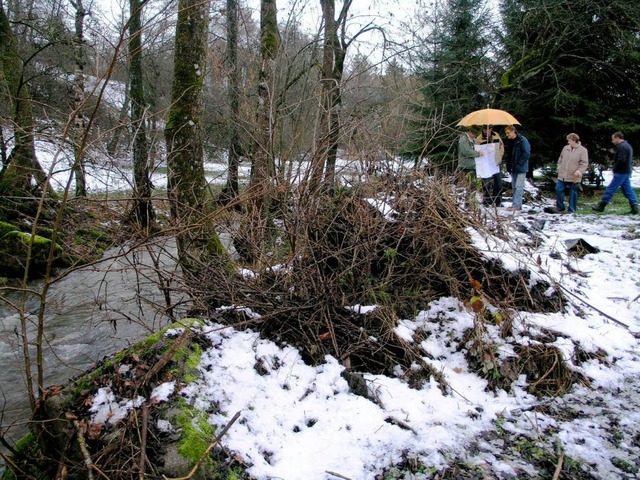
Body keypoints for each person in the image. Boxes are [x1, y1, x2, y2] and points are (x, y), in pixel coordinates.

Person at [592, 132, 639, 214]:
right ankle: (634, 206)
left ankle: (602, 205)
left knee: (611, 188)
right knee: (627, 189)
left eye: (613, 139)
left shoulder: (622, 147)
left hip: (621, 171)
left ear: (617, 138)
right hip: (626, 171)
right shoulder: (627, 146)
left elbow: (621, 159)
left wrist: (615, 169)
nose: (612, 141)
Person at [553, 133, 589, 213]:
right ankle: (560, 207)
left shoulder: (583, 150)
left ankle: (571, 210)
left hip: (575, 176)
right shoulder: (565, 148)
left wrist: (579, 171)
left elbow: (584, 163)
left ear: (574, 140)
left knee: (573, 192)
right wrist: (559, 167)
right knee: (558, 189)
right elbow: (560, 159)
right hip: (562, 174)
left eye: (569, 140)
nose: (568, 142)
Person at [475, 125, 504, 206]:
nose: (486, 131)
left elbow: (501, 146)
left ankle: (498, 201)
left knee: (498, 183)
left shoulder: (496, 135)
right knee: (486, 183)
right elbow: (476, 151)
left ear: (491, 129)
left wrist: (500, 156)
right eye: (484, 129)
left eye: (488, 129)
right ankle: (487, 201)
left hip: (496, 162)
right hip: (485, 164)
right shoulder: (478, 139)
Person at [504, 125, 530, 211]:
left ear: (513, 131)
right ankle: (516, 204)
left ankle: (516, 205)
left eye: (508, 133)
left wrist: (519, 164)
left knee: (519, 186)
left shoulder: (522, 140)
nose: (507, 135)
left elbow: (526, 153)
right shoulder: (510, 142)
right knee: (514, 187)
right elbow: (509, 155)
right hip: (513, 167)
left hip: (521, 168)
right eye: (506, 133)